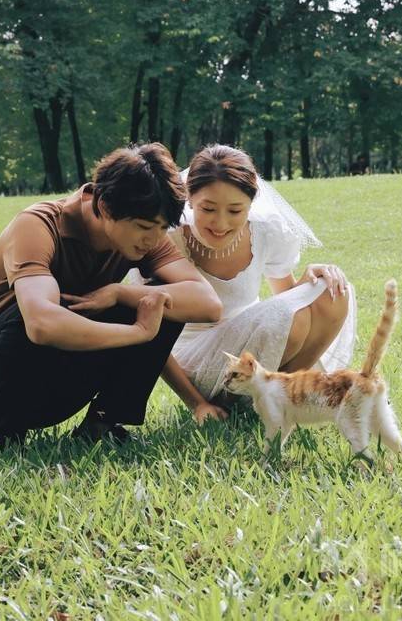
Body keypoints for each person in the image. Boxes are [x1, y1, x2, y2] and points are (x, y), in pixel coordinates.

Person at [0, 142, 222, 465]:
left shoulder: (145, 234)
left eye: (162, 228)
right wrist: (137, 332)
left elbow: (207, 303)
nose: (153, 238)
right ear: (104, 206)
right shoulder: (38, 225)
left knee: (159, 300)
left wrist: (120, 293)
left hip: (61, 379)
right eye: (145, 227)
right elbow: (40, 325)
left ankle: (101, 426)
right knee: (34, 310)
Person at [142, 144, 357, 424]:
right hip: (196, 357)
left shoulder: (266, 230)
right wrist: (197, 405)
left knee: (332, 290)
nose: (220, 223)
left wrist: (309, 282)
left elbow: (289, 301)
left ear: (251, 204)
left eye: (235, 210)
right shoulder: (167, 238)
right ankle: (243, 401)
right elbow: (150, 336)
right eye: (208, 208)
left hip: (255, 342)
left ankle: (283, 396)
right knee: (284, 316)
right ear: (189, 199)